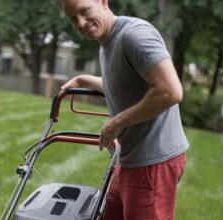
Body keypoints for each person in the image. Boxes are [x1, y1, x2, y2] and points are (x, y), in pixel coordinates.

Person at [55, 0, 189, 219]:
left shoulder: (134, 36)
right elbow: (123, 83)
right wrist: (83, 80)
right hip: (131, 160)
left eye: (85, 11)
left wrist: (117, 122)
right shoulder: (107, 43)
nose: (80, 23)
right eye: (73, 18)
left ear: (103, 2)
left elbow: (170, 91)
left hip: (152, 163)